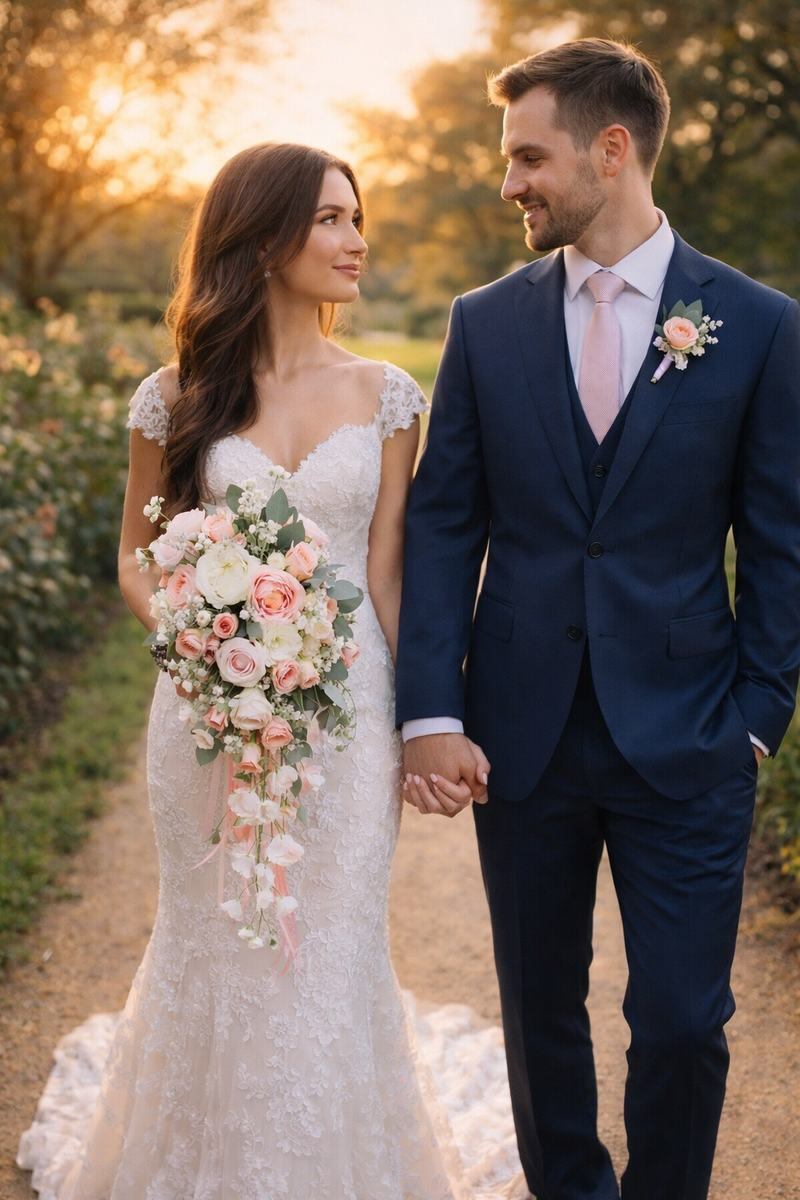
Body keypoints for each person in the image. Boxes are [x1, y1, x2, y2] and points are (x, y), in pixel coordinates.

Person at [19, 141, 490, 1200]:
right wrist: (190, 624)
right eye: (329, 218)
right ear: (263, 235)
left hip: (347, 707)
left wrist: (427, 718)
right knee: (212, 934)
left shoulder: (387, 396)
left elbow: (390, 575)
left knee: (324, 940)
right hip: (203, 702)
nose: (354, 239)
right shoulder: (174, 393)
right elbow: (140, 553)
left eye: (355, 217)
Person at [397, 38, 800, 1200]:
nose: (509, 182)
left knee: (681, 1020)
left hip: (690, 733)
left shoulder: (758, 325)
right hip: (517, 733)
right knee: (537, 1009)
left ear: (609, 150)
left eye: (528, 156)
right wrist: (430, 705)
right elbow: (442, 525)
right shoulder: (484, 322)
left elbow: (777, 538)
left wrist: (759, 713)